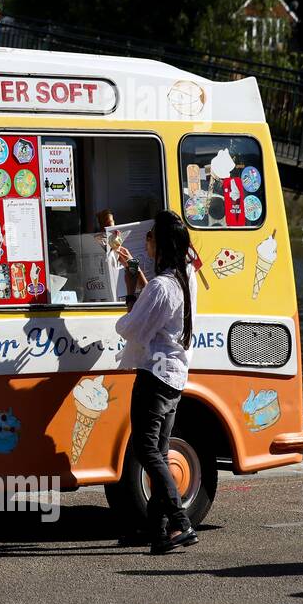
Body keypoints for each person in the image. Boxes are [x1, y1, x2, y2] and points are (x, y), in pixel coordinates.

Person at [113, 210, 199, 554]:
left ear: (160, 243)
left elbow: (130, 327)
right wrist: (136, 277)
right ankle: (159, 530)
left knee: (146, 449)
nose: (146, 241)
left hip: (155, 375)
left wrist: (130, 293)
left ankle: (180, 521)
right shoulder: (183, 278)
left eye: (149, 237)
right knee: (160, 450)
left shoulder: (163, 286)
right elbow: (154, 310)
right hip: (174, 375)